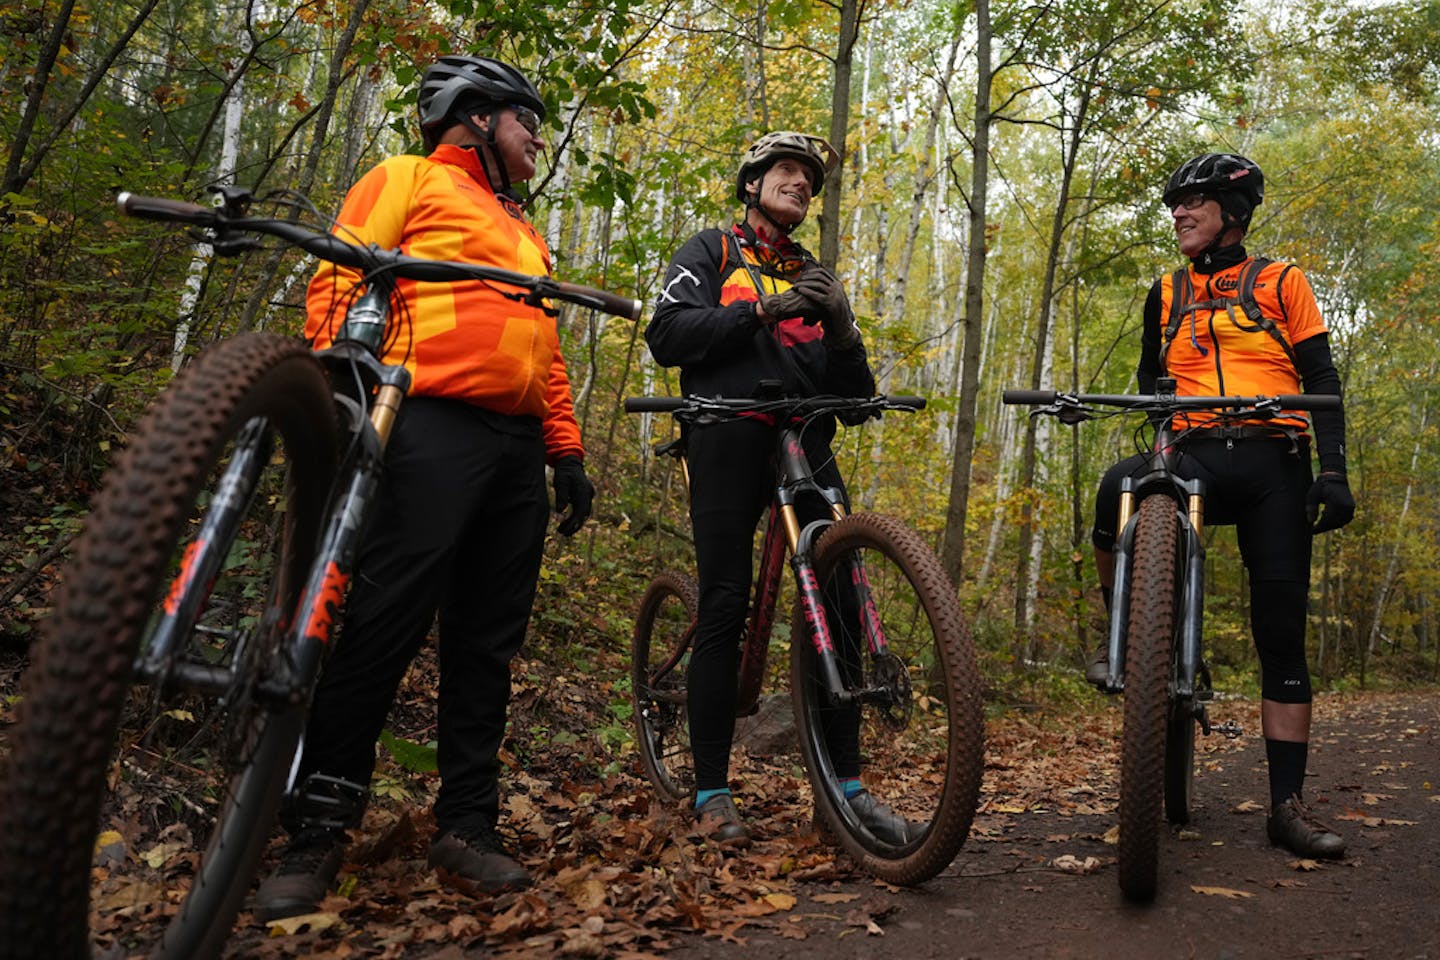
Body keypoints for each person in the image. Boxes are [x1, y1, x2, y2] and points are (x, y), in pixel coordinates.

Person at [253, 54, 594, 920]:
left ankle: (466, 825)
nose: (538, 138)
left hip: (515, 447)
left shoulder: (522, 227)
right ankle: (320, 826)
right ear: (477, 116)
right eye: (528, 120)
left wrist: (565, 451)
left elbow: (544, 346)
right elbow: (339, 274)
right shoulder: (405, 176)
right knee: (385, 616)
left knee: (487, 643)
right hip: (427, 420)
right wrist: (344, 395)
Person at [645, 131, 916, 846]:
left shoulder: (814, 273)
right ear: (752, 183)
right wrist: (763, 311)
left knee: (840, 601)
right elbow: (667, 335)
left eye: (808, 178)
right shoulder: (710, 251)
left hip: (806, 441)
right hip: (727, 435)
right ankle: (710, 791)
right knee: (725, 605)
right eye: (786, 172)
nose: (799, 183)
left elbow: (853, 398)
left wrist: (844, 325)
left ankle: (847, 796)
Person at [1088, 152, 1355, 859]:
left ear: (1233, 213)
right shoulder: (1166, 291)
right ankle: (1122, 633)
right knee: (1115, 486)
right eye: (1175, 204)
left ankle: (1286, 806)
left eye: (1194, 202)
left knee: (1280, 631)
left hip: (1274, 460)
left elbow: (1322, 373)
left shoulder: (1281, 280)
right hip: (1194, 452)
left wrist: (1334, 470)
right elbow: (1152, 379)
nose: (1178, 212)